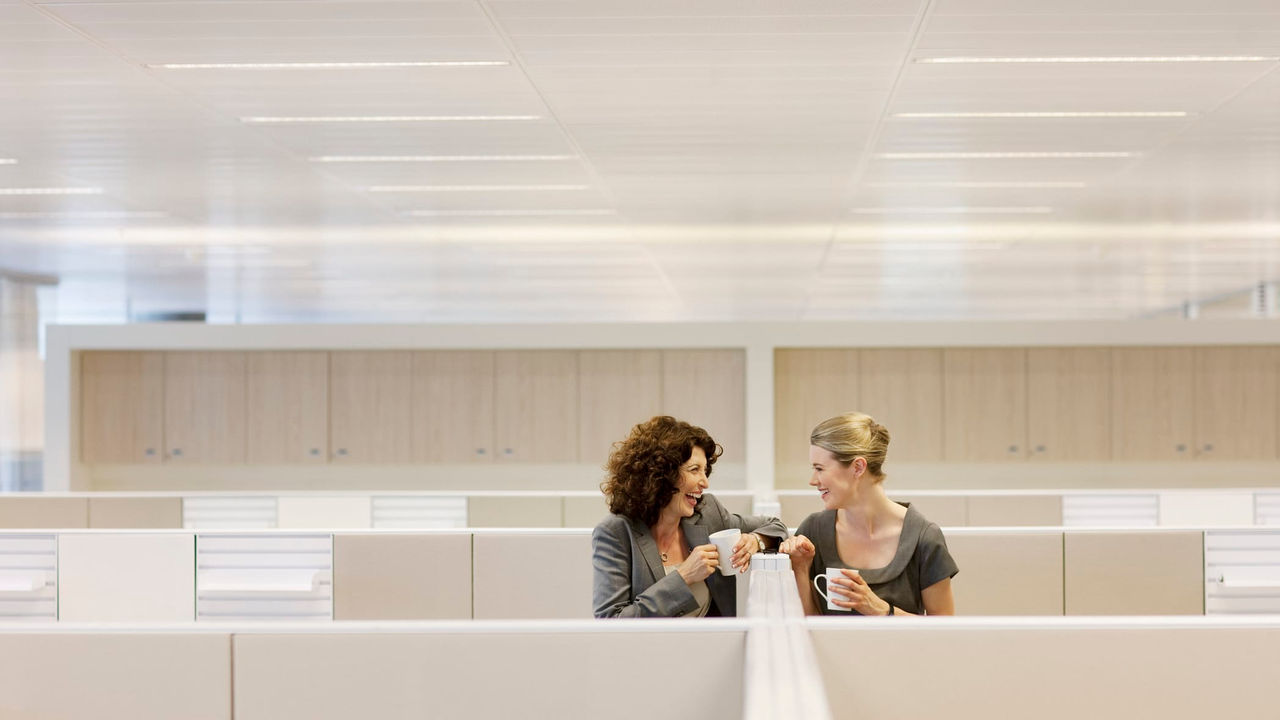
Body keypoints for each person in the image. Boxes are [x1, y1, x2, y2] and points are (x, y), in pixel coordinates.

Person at [592, 416, 789, 618]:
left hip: (714, 646)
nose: (705, 482)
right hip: (650, 649)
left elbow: (777, 527)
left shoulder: (707, 513)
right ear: (660, 474)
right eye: (694, 470)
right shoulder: (616, 532)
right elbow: (611, 620)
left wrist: (756, 541)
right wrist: (684, 576)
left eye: (705, 471)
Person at [779, 412, 957, 616]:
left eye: (820, 468)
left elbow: (944, 630)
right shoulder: (814, 531)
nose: (813, 480)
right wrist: (800, 569)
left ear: (857, 467)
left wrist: (881, 609)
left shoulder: (923, 538)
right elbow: (810, 626)